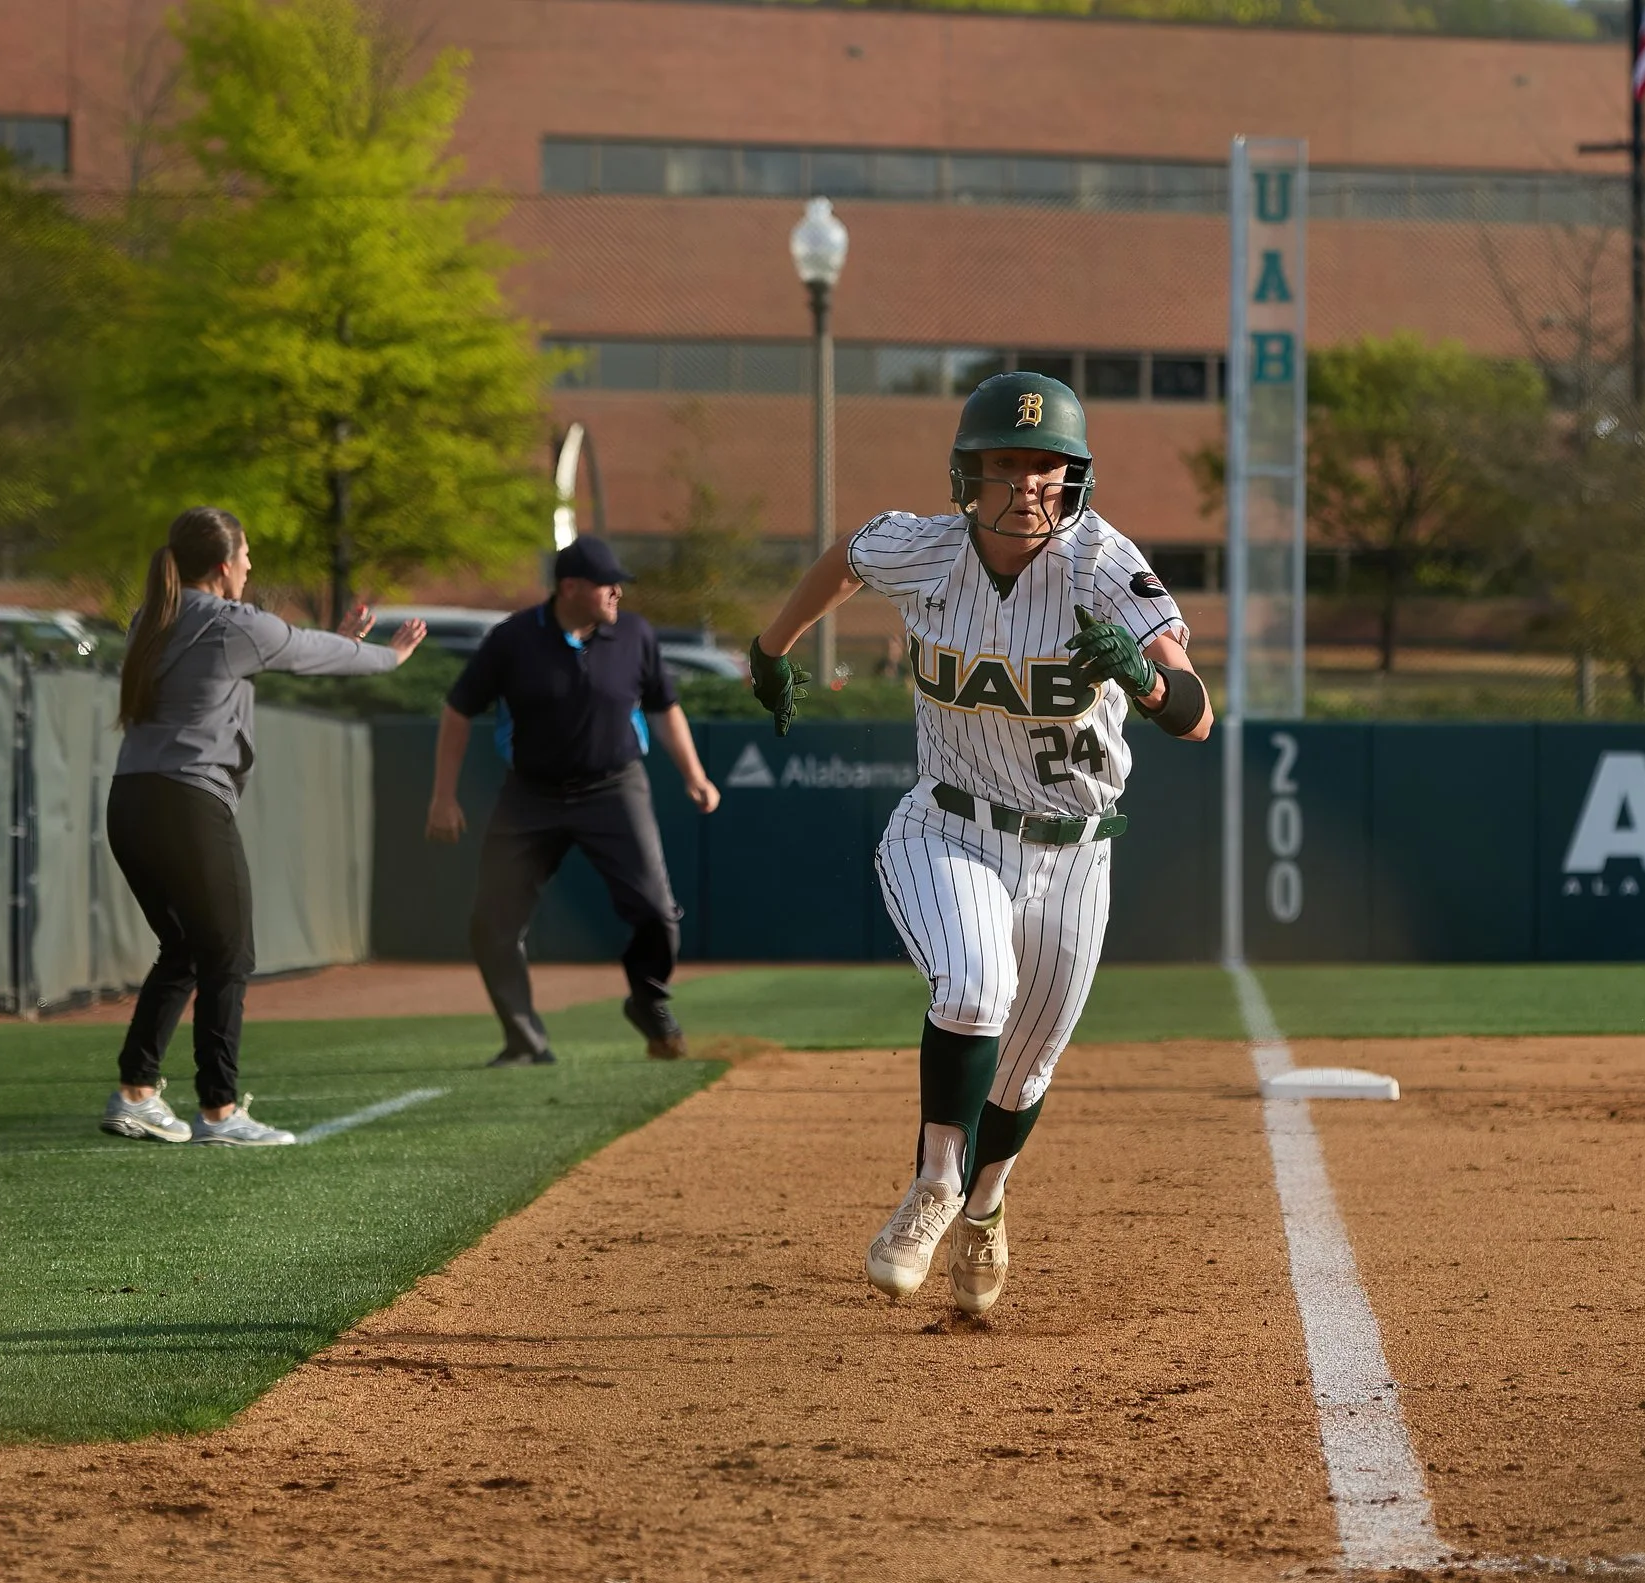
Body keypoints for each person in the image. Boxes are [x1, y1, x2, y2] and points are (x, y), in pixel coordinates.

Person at [746, 371, 1213, 1318]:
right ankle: (931, 1189)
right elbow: (846, 558)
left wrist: (1152, 688)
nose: (1025, 485)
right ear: (968, 473)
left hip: (1077, 850)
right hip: (948, 823)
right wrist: (770, 646)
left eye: (1046, 466)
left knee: (1028, 1067)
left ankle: (986, 1206)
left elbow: (1197, 713)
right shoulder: (925, 549)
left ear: (1073, 476)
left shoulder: (1103, 565)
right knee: (971, 989)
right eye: (1006, 463)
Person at [102, 507, 428, 1147]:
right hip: (187, 804)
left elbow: (285, 654)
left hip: (130, 800)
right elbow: (313, 653)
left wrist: (342, 640)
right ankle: (220, 1112)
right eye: (246, 555)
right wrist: (388, 657)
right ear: (223, 565)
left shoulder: (152, 617)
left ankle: (136, 1093)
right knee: (229, 953)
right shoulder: (233, 622)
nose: (251, 566)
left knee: (187, 949)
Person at [426, 536, 720, 1066]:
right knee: (492, 923)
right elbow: (457, 710)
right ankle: (524, 1040)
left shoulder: (633, 635)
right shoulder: (512, 639)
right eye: (608, 585)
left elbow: (665, 706)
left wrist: (694, 775)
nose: (617, 594)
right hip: (531, 796)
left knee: (657, 913)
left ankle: (648, 1000)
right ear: (570, 587)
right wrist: (443, 797)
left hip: (614, 786)